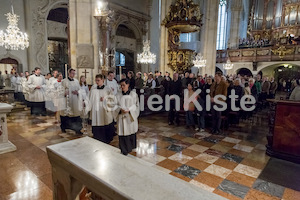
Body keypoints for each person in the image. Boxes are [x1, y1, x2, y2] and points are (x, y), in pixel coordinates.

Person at [86, 74, 115, 144]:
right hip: (96, 111)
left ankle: (106, 139)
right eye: (96, 80)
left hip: (104, 111)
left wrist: (105, 99)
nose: (97, 82)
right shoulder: (93, 89)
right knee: (97, 123)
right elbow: (89, 98)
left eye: (98, 80)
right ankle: (97, 137)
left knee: (106, 122)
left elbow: (112, 100)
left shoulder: (108, 89)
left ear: (103, 80)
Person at [115, 79, 140, 155]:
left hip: (130, 118)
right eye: (121, 85)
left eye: (123, 85)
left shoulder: (133, 95)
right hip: (121, 118)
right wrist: (119, 109)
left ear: (128, 85)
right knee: (123, 133)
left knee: (130, 132)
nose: (122, 87)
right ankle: (124, 149)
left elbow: (137, 106)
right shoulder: (117, 95)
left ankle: (131, 148)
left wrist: (130, 110)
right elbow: (114, 105)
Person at [60, 68, 84, 135]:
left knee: (76, 115)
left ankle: (78, 129)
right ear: (69, 73)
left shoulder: (76, 81)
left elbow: (80, 90)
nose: (73, 74)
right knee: (66, 115)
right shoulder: (64, 81)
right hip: (67, 101)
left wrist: (77, 92)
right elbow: (60, 91)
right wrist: (64, 93)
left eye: (74, 73)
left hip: (75, 100)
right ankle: (64, 127)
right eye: (72, 73)